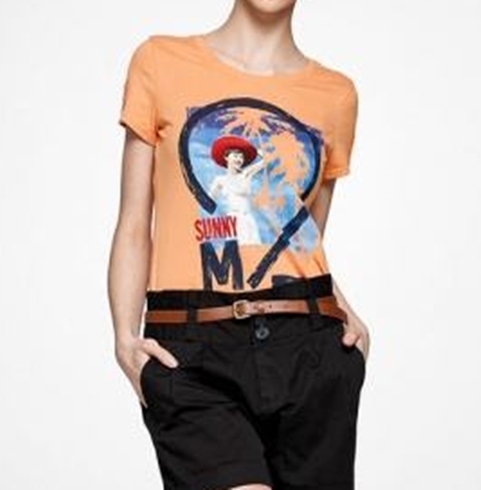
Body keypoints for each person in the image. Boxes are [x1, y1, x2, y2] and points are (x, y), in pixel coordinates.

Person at [108, 0, 371, 489]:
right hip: (192, 343)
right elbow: (134, 220)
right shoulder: (159, 62)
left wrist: (343, 309)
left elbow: (300, 238)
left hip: (309, 344)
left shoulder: (335, 96)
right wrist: (125, 338)